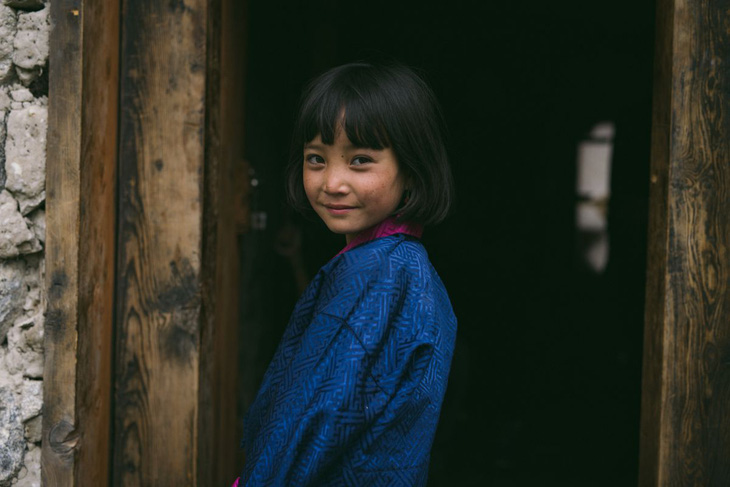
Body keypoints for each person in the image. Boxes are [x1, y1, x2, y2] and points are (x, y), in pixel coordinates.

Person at [235, 62, 457, 486]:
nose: (332, 182)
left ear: (411, 169)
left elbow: (312, 424)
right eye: (316, 159)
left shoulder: (386, 272)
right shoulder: (391, 264)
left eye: (360, 161)